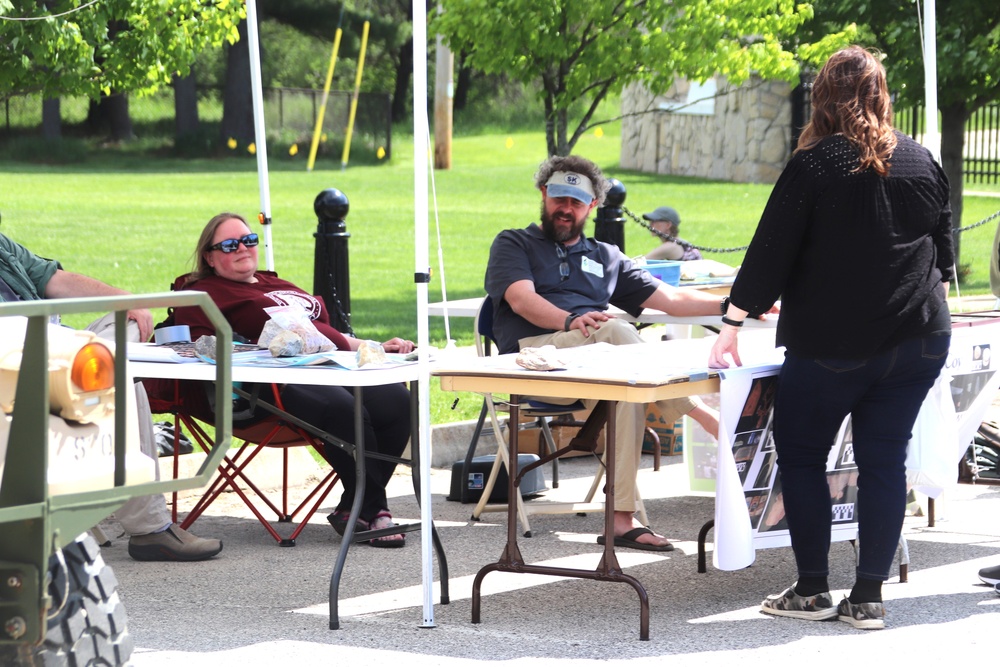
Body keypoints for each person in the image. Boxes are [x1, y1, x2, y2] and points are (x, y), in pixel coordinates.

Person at [708, 46, 954, 630]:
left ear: (822, 97)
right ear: (881, 95)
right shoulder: (922, 159)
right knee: (884, 462)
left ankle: (813, 588)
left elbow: (769, 254)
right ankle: (868, 596)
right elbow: (944, 253)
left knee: (799, 454)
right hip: (920, 337)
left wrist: (732, 323)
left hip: (836, 345)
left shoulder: (816, 164)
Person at [485, 154, 749, 551]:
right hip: (533, 362)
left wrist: (739, 305)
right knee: (616, 332)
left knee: (626, 386)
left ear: (592, 206)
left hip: (599, 365)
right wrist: (570, 321)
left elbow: (672, 300)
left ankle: (621, 520)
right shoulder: (514, 243)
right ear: (543, 195)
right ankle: (703, 415)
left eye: (576, 202)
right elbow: (522, 301)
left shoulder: (607, 256)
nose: (565, 209)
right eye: (559, 198)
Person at [170, 212, 414, 547]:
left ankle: (352, 509)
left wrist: (372, 346)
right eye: (229, 245)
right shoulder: (204, 292)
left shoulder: (277, 283)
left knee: (397, 401)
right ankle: (375, 508)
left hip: (331, 364)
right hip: (268, 386)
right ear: (210, 257)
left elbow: (326, 333)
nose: (242, 248)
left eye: (249, 240)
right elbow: (192, 343)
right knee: (346, 411)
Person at [0, 230, 223, 561]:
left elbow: (54, 280)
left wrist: (124, 298)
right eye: (231, 244)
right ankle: (150, 529)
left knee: (121, 330)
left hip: (55, 354)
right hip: (15, 365)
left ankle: (107, 368)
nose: (244, 249)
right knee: (117, 372)